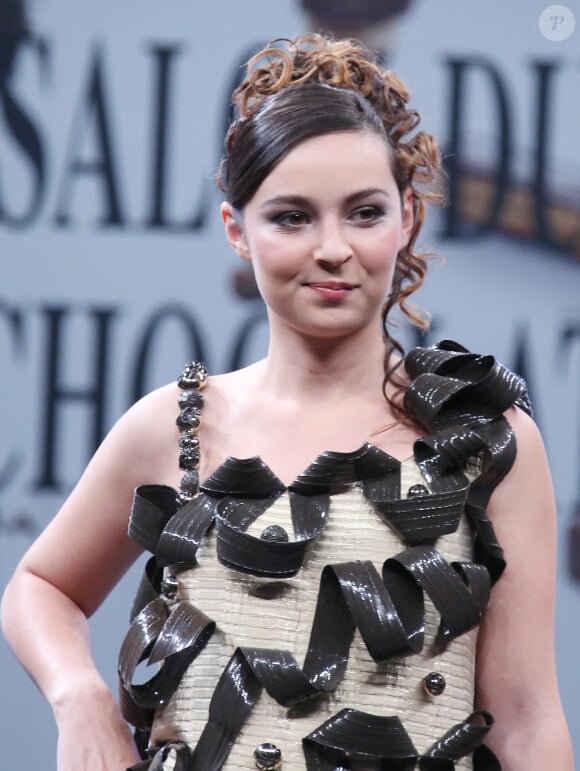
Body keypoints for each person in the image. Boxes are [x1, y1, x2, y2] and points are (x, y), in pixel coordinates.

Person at [1, 33, 573, 771]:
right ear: (237, 230)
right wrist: (79, 699)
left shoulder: (484, 436)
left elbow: (527, 722)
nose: (332, 248)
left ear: (406, 216)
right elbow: (40, 585)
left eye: (363, 212)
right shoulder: (180, 425)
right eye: (293, 216)